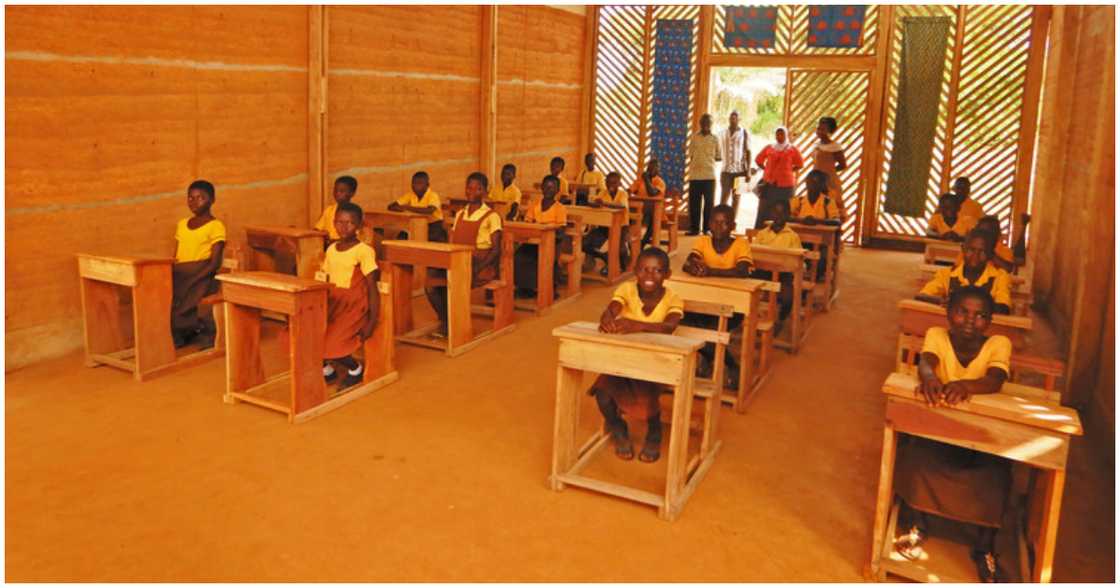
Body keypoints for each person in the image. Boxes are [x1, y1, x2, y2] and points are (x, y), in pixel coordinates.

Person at [892, 286, 1013, 582]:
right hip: (941, 427)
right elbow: (926, 361)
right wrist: (930, 378)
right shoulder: (937, 334)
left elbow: (995, 380)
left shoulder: (999, 343)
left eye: (981, 315)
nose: (970, 320)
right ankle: (918, 524)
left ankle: (984, 546)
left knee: (996, 473)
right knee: (917, 455)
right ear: (949, 314)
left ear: (990, 321)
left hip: (981, 432)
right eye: (962, 312)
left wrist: (964, 386)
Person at [592, 247, 683, 463]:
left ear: (667, 275)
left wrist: (635, 325)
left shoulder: (673, 298)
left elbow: (669, 326)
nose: (649, 276)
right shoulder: (626, 290)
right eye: (643, 270)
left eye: (657, 271)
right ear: (635, 271)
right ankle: (618, 427)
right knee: (602, 395)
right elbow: (613, 308)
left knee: (648, 397)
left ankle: (654, 429)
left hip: (657, 362)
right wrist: (607, 318)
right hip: (623, 360)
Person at [682, 205, 753, 389]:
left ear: (732, 225)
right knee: (683, 320)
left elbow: (742, 271)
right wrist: (693, 267)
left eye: (724, 223)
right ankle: (715, 359)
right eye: (715, 222)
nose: (719, 227)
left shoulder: (740, 244)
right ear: (709, 224)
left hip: (733, 306)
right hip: (705, 302)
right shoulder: (703, 241)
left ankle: (727, 364)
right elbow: (688, 262)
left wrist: (710, 271)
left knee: (712, 331)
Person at [425, 172, 503, 337]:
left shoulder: (492, 216)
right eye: (469, 187)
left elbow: (496, 250)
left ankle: (455, 326)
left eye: (478, 188)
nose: (472, 191)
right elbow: (452, 241)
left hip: (481, 263)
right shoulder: (460, 214)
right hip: (458, 258)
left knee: (456, 280)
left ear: (485, 191)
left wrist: (477, 267)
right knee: (430, 282)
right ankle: (447, 320)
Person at [319, 202, 380, 390]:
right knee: (307, 336)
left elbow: (372, 287)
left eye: (349, 223)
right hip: (333, 302)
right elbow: (325, 278)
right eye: (338, 222)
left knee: (331, 344)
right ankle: (328, 371)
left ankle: (356, 369)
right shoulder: (331, 249)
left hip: (353, 306)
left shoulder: (364, 251)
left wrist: (371, 321)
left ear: (359, 226)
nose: (343, 227)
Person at [171, 180, 226, 349]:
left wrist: (193, 279)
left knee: (188, 298)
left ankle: (201, 330)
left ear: (212, 200)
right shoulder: (181, 224)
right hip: (181, 272)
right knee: (166, 295)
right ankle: (185, 331)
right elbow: (176, 255)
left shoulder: (216, 226)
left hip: (204, 273)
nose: (194, 202)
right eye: (190, 198)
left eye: (200, 198)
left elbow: (215, 263)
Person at [917, 229, 1013, 315]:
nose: (975, 256)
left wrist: (963, 304)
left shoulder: (1000, 276)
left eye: (982, 252)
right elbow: (921, 296)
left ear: (990, 255)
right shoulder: (947, 274)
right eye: (971, 250)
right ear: (963, 249)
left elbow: (1004, 308)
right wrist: (942, 301)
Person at [750, 198, 801, 334]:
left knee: (788, 296)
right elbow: (754, 254)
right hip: (763, 272)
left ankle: (780, 319)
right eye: (775, 213)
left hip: (783, 275)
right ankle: (752, 318)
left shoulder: (793, 237)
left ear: (788, 215)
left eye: (782, 213)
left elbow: (796, 262)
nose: (778, 216)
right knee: (749, 289)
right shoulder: (762, 234)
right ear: (771, 214)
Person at [513, 175, 568, 298]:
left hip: (551, 243)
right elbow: (528, 223)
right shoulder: (534, 205)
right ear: (542, 188)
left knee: (545, 258)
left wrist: (545, 229)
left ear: (557, 190)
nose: (548, 190)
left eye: (552, 188)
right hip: (533, 241)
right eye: (546, 187)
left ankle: (549, 287)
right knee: (519, 256)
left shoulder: (560, 208)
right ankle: (525, 287)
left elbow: (561, 231)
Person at [789, 170, 841, 281]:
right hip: (801, 240)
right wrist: (801, 220)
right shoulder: (799, 200)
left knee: (823, 257)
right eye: (810, 182)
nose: (812, 185)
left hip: (822, 242)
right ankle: (796, 277)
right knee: (789, 250)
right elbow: (786, 216)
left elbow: (837, 221)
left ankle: (813, 279)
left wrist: (817, 221)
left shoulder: (828, 202)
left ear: (822, 185)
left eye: (816, 183)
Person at [754, 126, 804, 229]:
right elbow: (758, 160)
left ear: (786, 135)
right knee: (765, 209)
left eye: (782, 134)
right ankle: (762, 232)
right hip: (769, 185)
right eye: (777, 134)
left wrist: (789, 171)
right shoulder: (769, 147)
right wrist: (766, 169)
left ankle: (783, 232)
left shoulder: (792, 149)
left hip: (786, 187)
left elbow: (800, 164)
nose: (779, 136)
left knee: (784, 209)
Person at [585, 171, 631, 275]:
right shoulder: (603, 193)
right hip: (604, 226)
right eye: (608, 182)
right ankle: (607, 259)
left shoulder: (623, 194)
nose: (611, 185)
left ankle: (622, 266)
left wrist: (604, 203)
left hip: (621, 227)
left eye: (614, 183)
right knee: (585, 243)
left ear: (619, 184)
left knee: (620, 249)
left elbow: (622, 206)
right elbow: (595, 201)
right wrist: (594, 204)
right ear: (605, 183)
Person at [687, 113, 722, 235]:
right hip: (695, 175)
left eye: (708, 123)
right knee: (694, 204)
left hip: (709, 176)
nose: (706, 125)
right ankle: (694, 229)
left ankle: (707, 229)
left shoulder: (715, 139)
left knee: (709, 205)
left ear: (711, 124)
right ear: (700, 124)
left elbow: (718, 156)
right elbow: (691, 155)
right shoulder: (694, 137)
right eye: (703, 122)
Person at [389, 171, 448, 242]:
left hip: (433, 226)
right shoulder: (410, 195)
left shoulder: (433, 195)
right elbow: (391, 206)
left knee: (419, 238)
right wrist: (400, 209)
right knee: (401, 236)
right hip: (416, 225)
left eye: (420, 183)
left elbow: (429, 211)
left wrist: (407, 208)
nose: (416, 186)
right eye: (414, 183)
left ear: (427, 185)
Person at [811, 117, 847, 220]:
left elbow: (843, 165)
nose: (819, 131)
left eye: (823, 129)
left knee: (832, 211)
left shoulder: (835, 147)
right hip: (815, 182)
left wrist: (829, 172)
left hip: (829, 183)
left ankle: (835, 235)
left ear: (830, 131)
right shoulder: (816, 145)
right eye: (818, 128)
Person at [719, 110, 752, 214]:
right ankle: (722, 220)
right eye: (731, 118)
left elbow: (748, 151)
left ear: (739, 120)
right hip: (726, 171)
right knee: (724, 197)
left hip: (739, 171)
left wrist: (748, 171)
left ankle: (732, 222)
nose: (732, 120)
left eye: (735, 118)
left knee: (736, 198)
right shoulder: (723, 133)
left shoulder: (744, 133)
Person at [628, 159, 666, 247]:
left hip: (655, 210)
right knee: (628, 214)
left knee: (653, 221)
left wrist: (646, 180)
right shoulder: (640, 181)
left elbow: (652, 192)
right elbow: (631, 190)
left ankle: (642, 243)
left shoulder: (660, 182)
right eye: (649, 168)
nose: (651, 170)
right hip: (640, 208)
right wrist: (628, 191)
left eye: (654, 168)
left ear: (658, 170)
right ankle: (630, 242)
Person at [314, 176, 358, 242]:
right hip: (327, 247)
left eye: (342, 191)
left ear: (352, 193)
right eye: (335, 190)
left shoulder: (355, 213)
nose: (337, 193)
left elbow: (356, 236)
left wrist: (334, 241)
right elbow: (317, 229)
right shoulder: (328, 210)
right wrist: (322, 234)